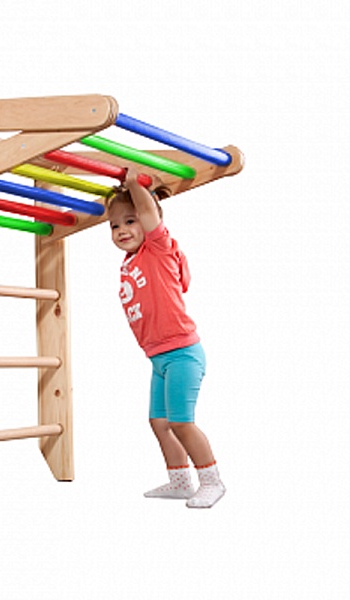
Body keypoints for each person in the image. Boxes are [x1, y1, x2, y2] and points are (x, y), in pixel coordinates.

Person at [107, 168, 225, 509]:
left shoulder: (157, 249)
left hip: (182, 352)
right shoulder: (130, 262)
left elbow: (149, 214)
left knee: (181, 422)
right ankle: (180, 481)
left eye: (130, 221)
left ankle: (212, 481)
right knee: (158, 421)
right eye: (114, 226)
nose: (121, 230)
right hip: (159, 358)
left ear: (149, 222)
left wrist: (133, 185)